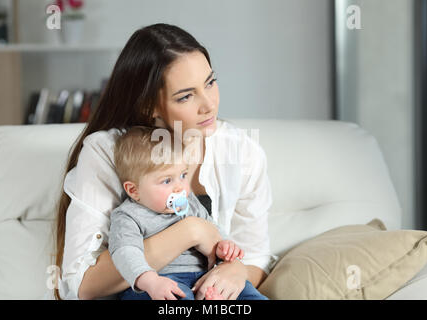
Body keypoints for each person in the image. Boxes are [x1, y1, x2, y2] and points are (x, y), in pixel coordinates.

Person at [54, 23, 277, 300]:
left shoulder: (242, 151)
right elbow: (82, 285)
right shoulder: (106, 152)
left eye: (210, 82)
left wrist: (236, 271)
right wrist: (191, 230)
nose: (208, 104)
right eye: (186, 95)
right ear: (149, 106)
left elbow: (257, 257)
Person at [108, 126, 268, 300]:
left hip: (204, 277)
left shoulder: (190, 203)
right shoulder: (128, 216)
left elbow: (212, 229)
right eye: (167, 180)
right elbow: (125, 252)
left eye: (183, 175)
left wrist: (224, 247)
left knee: (248, 294)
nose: (180, 187)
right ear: (134, 190)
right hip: (160, 280)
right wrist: (150, 281)